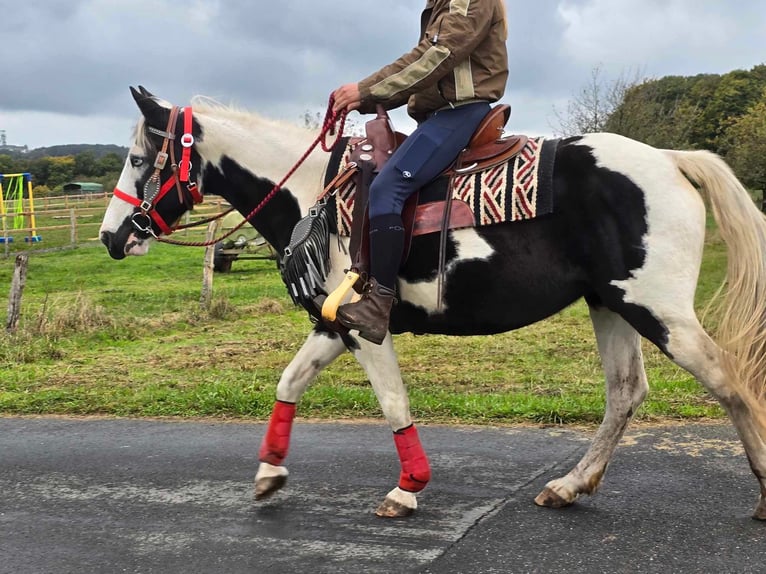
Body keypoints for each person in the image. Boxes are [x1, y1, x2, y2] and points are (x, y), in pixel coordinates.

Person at [331, 0, 509, 345]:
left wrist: (366, 90)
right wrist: (367, 98)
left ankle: (379, 302)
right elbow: (422, 59)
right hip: (442, 115)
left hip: (458, 112)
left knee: (386, 190)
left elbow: (436, 55)